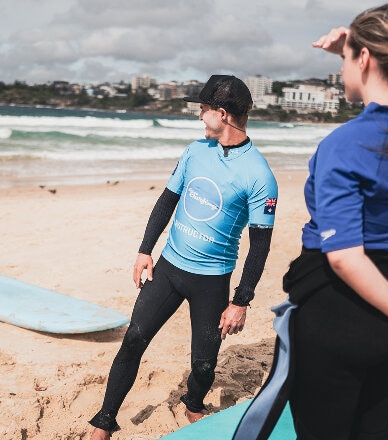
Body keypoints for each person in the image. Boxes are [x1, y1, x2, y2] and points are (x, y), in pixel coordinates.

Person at [233, 4, 388, 440]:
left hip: (343, 311)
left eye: (350, 58)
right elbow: (387, 96)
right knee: (370, 428)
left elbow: (345, 256)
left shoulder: (344, 145)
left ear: (365, 58)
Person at [89, 74, 279, 439]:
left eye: (203, 110)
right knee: (133, 340)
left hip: (211, 281)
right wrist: (145, 250)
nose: (199, 117)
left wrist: (240, 301)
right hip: (170, 268)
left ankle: (193, 404)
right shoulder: (195, 151)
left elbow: (260, 246)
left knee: (204, 363)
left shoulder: (259, 175)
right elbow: (166, 202)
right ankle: (104, 421)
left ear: (221, 114)